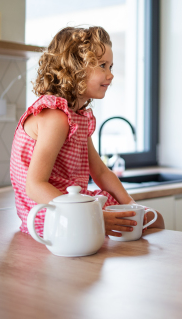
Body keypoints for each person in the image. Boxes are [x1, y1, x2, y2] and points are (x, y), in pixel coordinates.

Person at [10, 26, 164, 238]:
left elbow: (100, 172)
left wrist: (131, 204)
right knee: (146, 224)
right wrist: (89, 215)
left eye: (110, 66)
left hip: (72, 207)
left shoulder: (76, 117)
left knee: (150, 218)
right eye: (102, 65)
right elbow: (35, 185)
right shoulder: (55, 117)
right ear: (75, 68)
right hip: (51, 217)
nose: (110, 74)